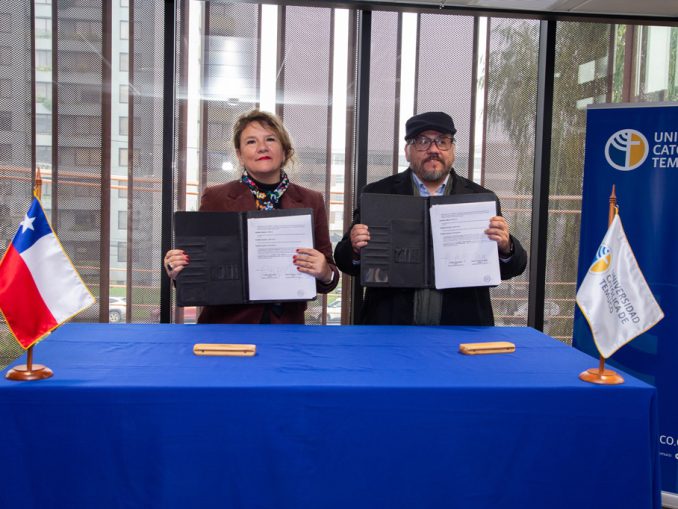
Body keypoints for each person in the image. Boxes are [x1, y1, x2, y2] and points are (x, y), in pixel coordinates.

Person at [334, 111, 527, 326]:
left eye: (442, 141)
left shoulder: (481, 199)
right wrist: (354, 248)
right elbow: (344, 261)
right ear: (408, 151)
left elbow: (514, 267)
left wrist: (506, 247)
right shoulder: (377, 193)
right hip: (390, 330)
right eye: (423, 142)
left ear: (453, 150)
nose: (434, 150)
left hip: (463, 329)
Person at [164, 109, 339, 324]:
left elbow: (329, 276)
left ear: (285, 151)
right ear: (240, 155)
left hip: (286, 327)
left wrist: (325, 272)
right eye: (251, 142)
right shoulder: (216, 197)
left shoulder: (312, 200)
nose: (262, 147)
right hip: (226, 325)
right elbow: (200, 269)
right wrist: (178, 269)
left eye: (270, 139)